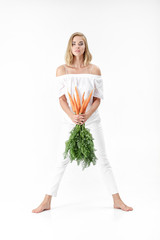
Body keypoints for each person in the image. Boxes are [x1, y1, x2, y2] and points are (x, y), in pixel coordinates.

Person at [32, 32, 133, 213]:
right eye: (74, 44)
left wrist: (87, 114)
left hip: (92, 120)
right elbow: (61, 99)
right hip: (70, 121)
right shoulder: (62, 70)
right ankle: (46, 201)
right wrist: (72, 115)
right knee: (61, 160)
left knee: (103, 160)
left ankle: (117, 200)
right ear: (70, 47)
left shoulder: (94, 70)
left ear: (85, 47)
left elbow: (97, 99)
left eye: (81, 43)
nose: (77, 46)